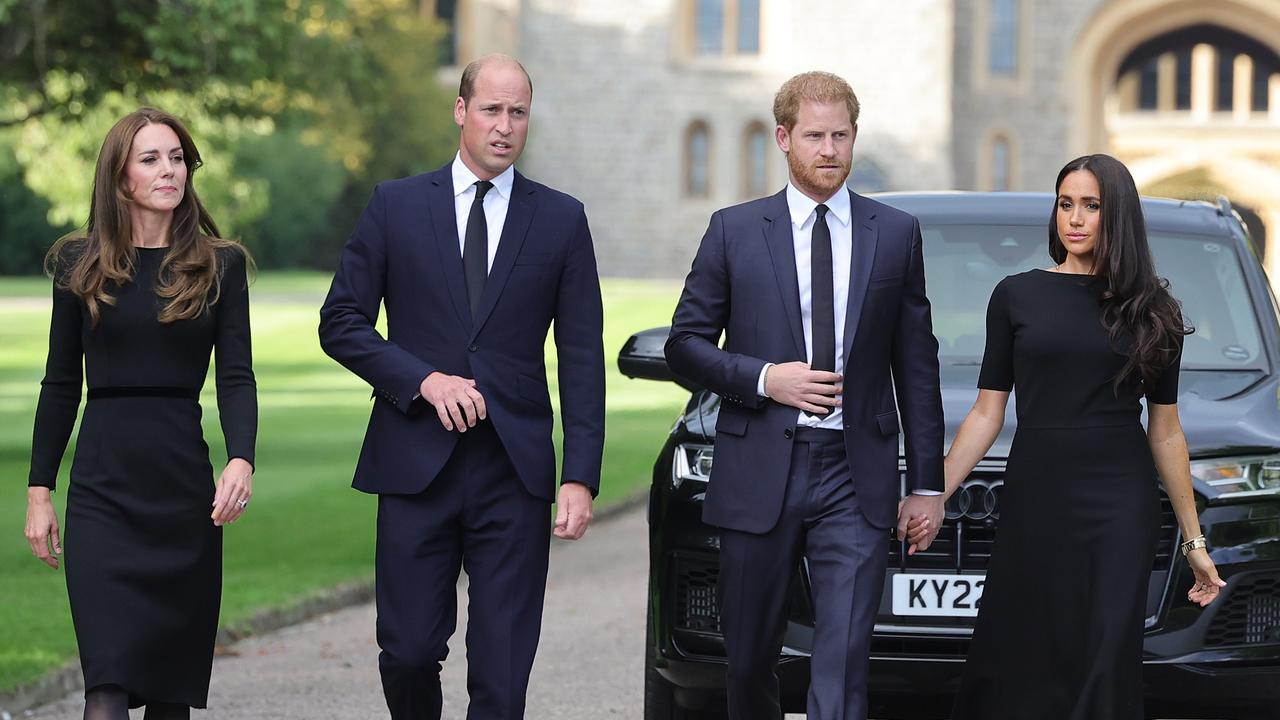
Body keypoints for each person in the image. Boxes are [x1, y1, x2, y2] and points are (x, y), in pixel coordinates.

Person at [318, 54, 605, 720]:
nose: (505, 126)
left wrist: (580, 476)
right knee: (410, 651)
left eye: (518, 113)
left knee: (502, 679)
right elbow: (341, 322)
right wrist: (422, 380)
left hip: (516, 471)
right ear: (461, 111)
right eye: (491, 110)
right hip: (415, 464)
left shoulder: (562, 220)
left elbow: (581, 356)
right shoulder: (396, 206)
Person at [665, 70, 946, 720]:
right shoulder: (734, 230)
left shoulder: (895, 234)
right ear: (784, 138)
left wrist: (926, 482)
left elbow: (917, 363)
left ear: (854, 138)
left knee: (844, 658)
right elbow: (686, 345)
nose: (829, 150)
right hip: (760, 466)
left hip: (856, 475)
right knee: (750, 655)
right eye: (815, 136)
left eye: (840, 136)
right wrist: (767, 379)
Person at [908, 153, 1225, 719]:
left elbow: (1167, 432)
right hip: (1037, 497)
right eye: (1065, 204)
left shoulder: (1154, 311)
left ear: (1117, 215)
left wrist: (1194, 542)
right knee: (1023, 650)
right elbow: (986, 413)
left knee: (1105, 654)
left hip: (1119, 506)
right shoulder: (1016, 295)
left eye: (1092, 206)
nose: (1074, 218)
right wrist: (936, 494)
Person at [22, 107, 257, 719]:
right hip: (103, 493)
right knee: (106, 690)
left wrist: (242, 457)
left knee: (168, 697)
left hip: (182, 494)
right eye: (151, 158)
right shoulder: (78, 263)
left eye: (177, 157)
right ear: (119, 175)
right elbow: (59, 383)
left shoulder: (220, 265)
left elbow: (235, 375)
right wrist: (39, 490)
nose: (169, 170)